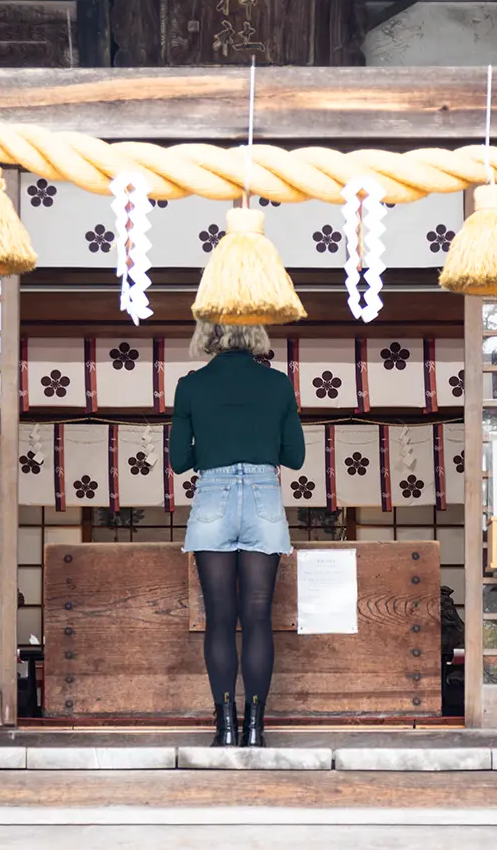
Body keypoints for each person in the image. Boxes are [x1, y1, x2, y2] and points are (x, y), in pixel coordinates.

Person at [170, 320, 304, 747]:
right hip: (264, 494)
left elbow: (178, 460)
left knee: (220, 620)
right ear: (256, 337)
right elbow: (295, 455)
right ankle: (255, 729)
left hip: (212, 496)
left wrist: (213, 443)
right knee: (259, 619)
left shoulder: (190, 386)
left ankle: (225, 727)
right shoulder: (278, 384)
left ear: (208, 335)